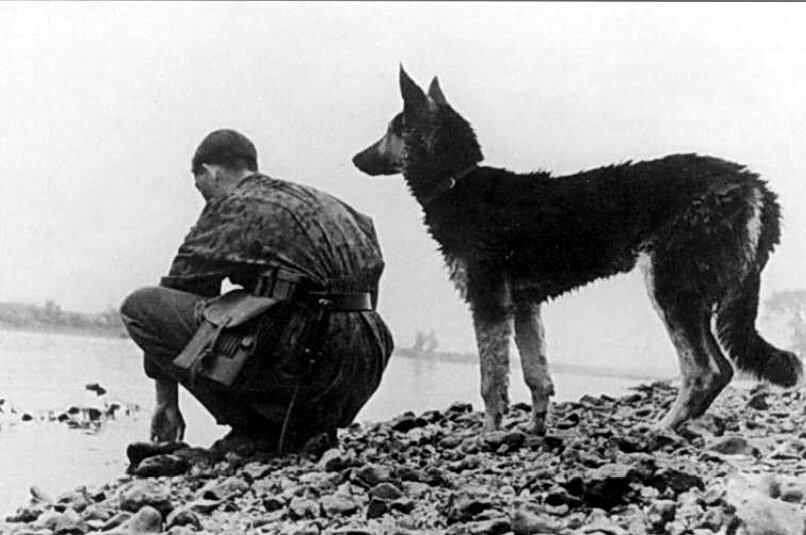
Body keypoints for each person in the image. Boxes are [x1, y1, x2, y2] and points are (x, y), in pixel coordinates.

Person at [120, 129, 393, 453]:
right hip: (364, 362)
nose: (204, 198)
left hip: (307, 362)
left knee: (139, 306)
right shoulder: (338, 207)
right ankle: (303, 425)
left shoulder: (233, 205)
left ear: (210, 171)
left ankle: (259, 429)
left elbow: (180, 289)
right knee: (263, 304)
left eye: (201, 187)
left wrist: (167, 402)